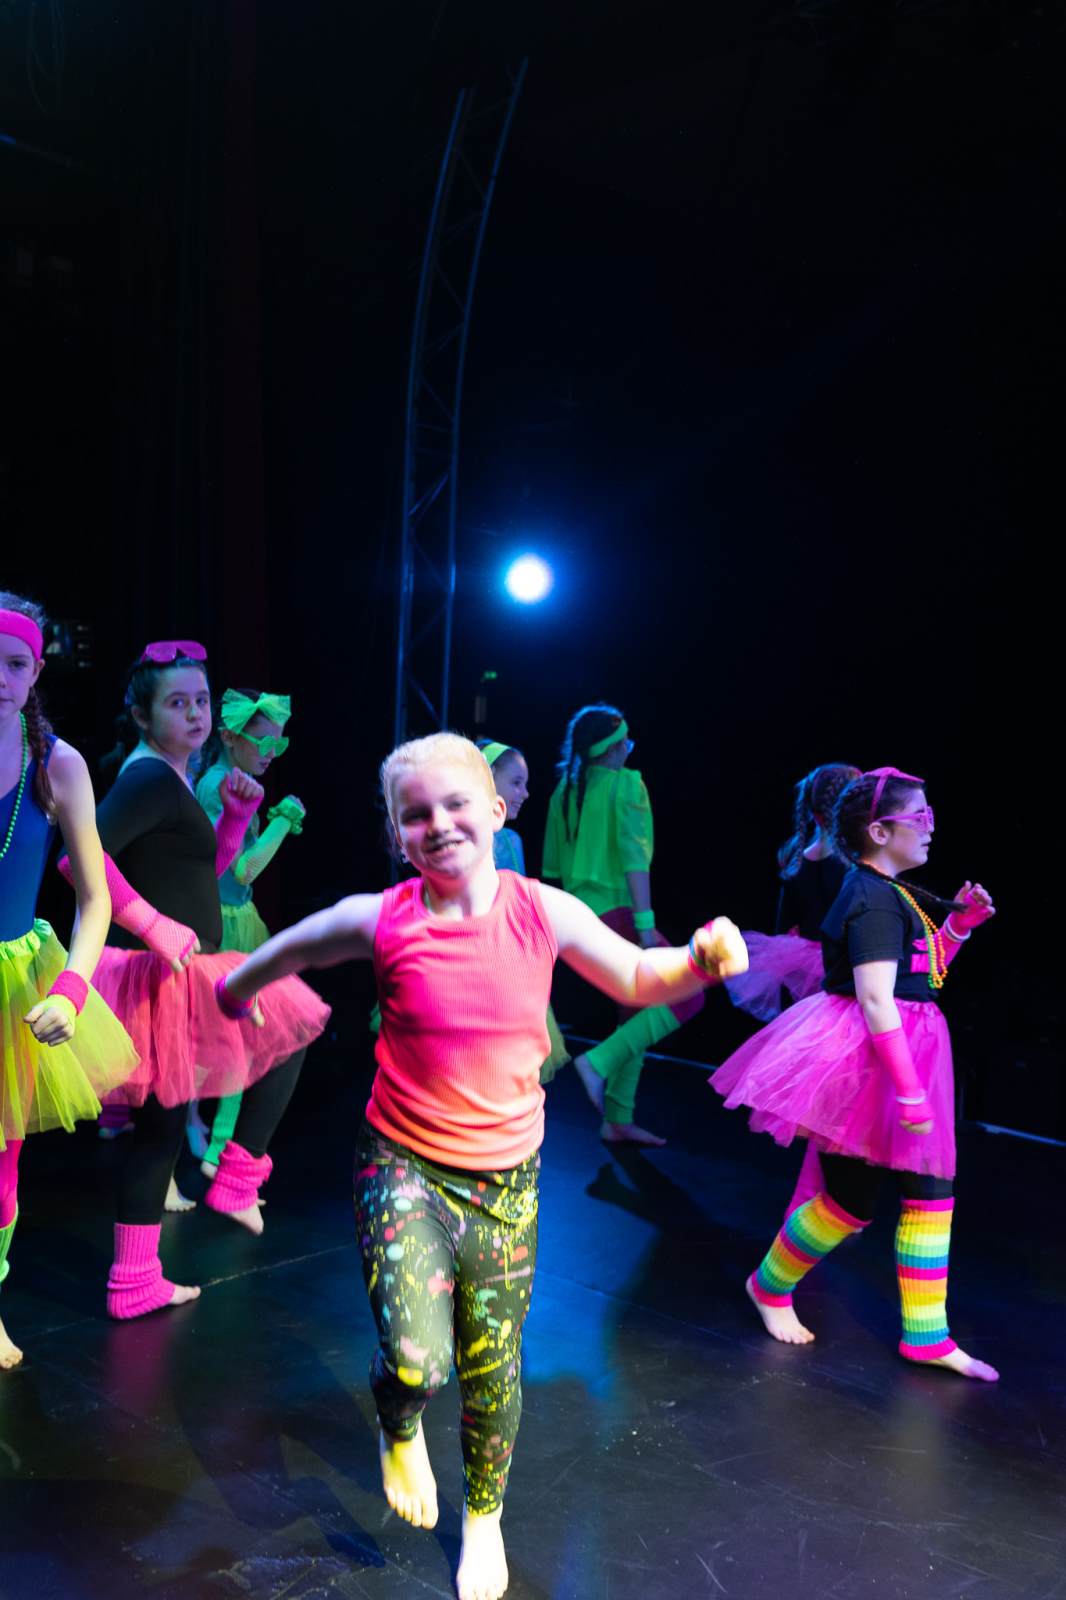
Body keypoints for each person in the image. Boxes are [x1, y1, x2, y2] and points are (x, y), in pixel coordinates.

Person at [215, 732, 747, 1600]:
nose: (438, 824)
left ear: (496, 812)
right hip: (402, 1168)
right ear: (397, 835)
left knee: (492, 1371)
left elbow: (637, 978)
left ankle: (485, 1519)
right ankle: (399, 1425)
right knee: (415, 1360)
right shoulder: (383, 918)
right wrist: (236, 990)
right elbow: (298, 946)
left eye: (456, 803)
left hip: (505, 1185)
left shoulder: (541, 910)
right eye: (414, 814)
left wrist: (697, 959)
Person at [710, 766, 998, 1380]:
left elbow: (922, 972)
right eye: (919, 816)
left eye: (929, 815)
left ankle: (927, 1335)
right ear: (880, 830)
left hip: (906, 1054)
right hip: (872, 1064)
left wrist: (956, 928)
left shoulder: (892, 891)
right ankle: (768, 1285)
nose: (930, 826)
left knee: (931, 1193)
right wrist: (909, 1089)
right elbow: (875, 998)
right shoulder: (870, 897)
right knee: (848, 1203)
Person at [69, 641, 328, 1318]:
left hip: (181, 969)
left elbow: (203, 874)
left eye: (202, 701)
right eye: (177, 703)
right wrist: (151, 923)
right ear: (142, 713)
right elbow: (79, 859)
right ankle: (237, 1177)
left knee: (159, 1130)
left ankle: (135, 1279)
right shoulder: (149, 778)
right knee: (292, 1027)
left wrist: (236, 820)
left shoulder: (174, 776)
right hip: (163, 972)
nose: (194, 714)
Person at [0, 594, 138, 1368]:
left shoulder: (56, 765)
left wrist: (71, 989)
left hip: (12, 987)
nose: (0, 677)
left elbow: (95, 899)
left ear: (36, 671)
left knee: (0, 1169)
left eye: (14, 663)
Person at [542, 704, 703, 1145]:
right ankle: (598, 1063)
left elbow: (552, 869)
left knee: (637, 1009)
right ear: (613, 749)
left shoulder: (564, 793)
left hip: (578, 918)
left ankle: (617, 1119)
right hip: (618, 914)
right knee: (689, 992)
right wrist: (646, 926)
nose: (629, 749)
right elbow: (635, 861)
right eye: (625, 742)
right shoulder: (626, 785)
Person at [194, 687, 305, 1177]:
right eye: (263, 742)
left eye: (278, 744)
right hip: (220, 924)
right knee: (226, 1039)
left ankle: (215, 1145)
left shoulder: (230, 780)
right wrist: (283, 821)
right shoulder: (220, 785)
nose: (270, 754)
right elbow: (242, 869)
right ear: (230, 738)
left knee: (235, 1039)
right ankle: (211, 1147)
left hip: (238, 919)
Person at [726, 762, 859, 1022]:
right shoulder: (852, 865)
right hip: (843, 967)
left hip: (804, 968)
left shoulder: (797, 860)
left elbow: (782, 927)